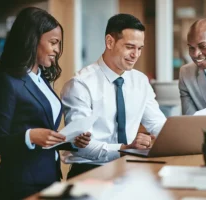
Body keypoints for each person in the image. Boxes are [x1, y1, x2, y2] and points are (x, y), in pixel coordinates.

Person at [0, 7, 90, 199]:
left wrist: (71, 140)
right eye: (53, 43)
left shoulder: (41, 79)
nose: (57, 50)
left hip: (51, 178)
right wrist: (30, 136)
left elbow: (44, 133)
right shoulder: (6, 81)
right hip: (20, 185)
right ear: (32, 40)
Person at [61, 13, 166, 178]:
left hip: (131, 168)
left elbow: (158, 124)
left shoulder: (140, 81)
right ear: (110, 42)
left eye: (139, 48)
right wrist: (125, 148)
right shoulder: (80, 84)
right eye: (130, 47)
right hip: (90, 171)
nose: (136, 54)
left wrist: (176, 138)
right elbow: (82, 145)